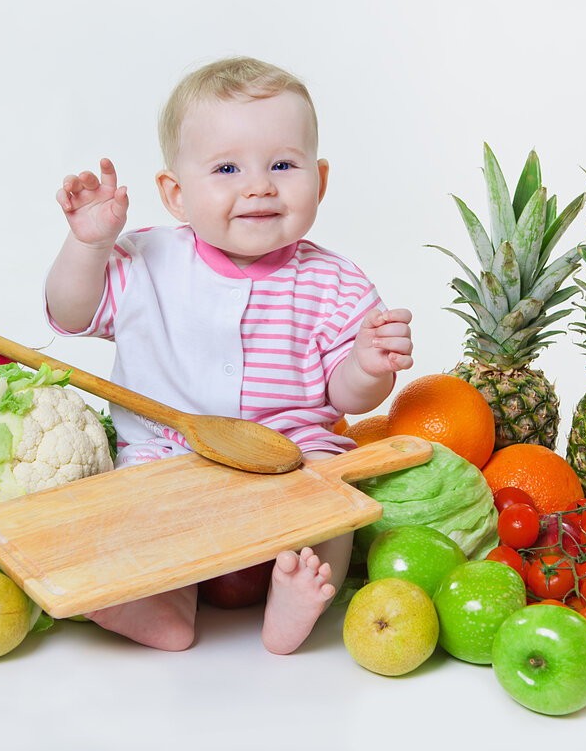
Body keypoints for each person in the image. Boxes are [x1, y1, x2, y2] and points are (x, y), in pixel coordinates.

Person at [44, 56, 414, 654]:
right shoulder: (145, 263)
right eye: (226, 168)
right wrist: (89, 246)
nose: (259, 184)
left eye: (283, 165)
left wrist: (369, 367)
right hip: (166, 455)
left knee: (332, 506)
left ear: (319, 180)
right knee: (132, 519)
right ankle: (160, 605)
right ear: (175, 194)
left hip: (290, 455)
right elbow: (70, 313)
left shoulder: (336, 285)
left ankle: (292, 597)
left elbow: (344, 396)